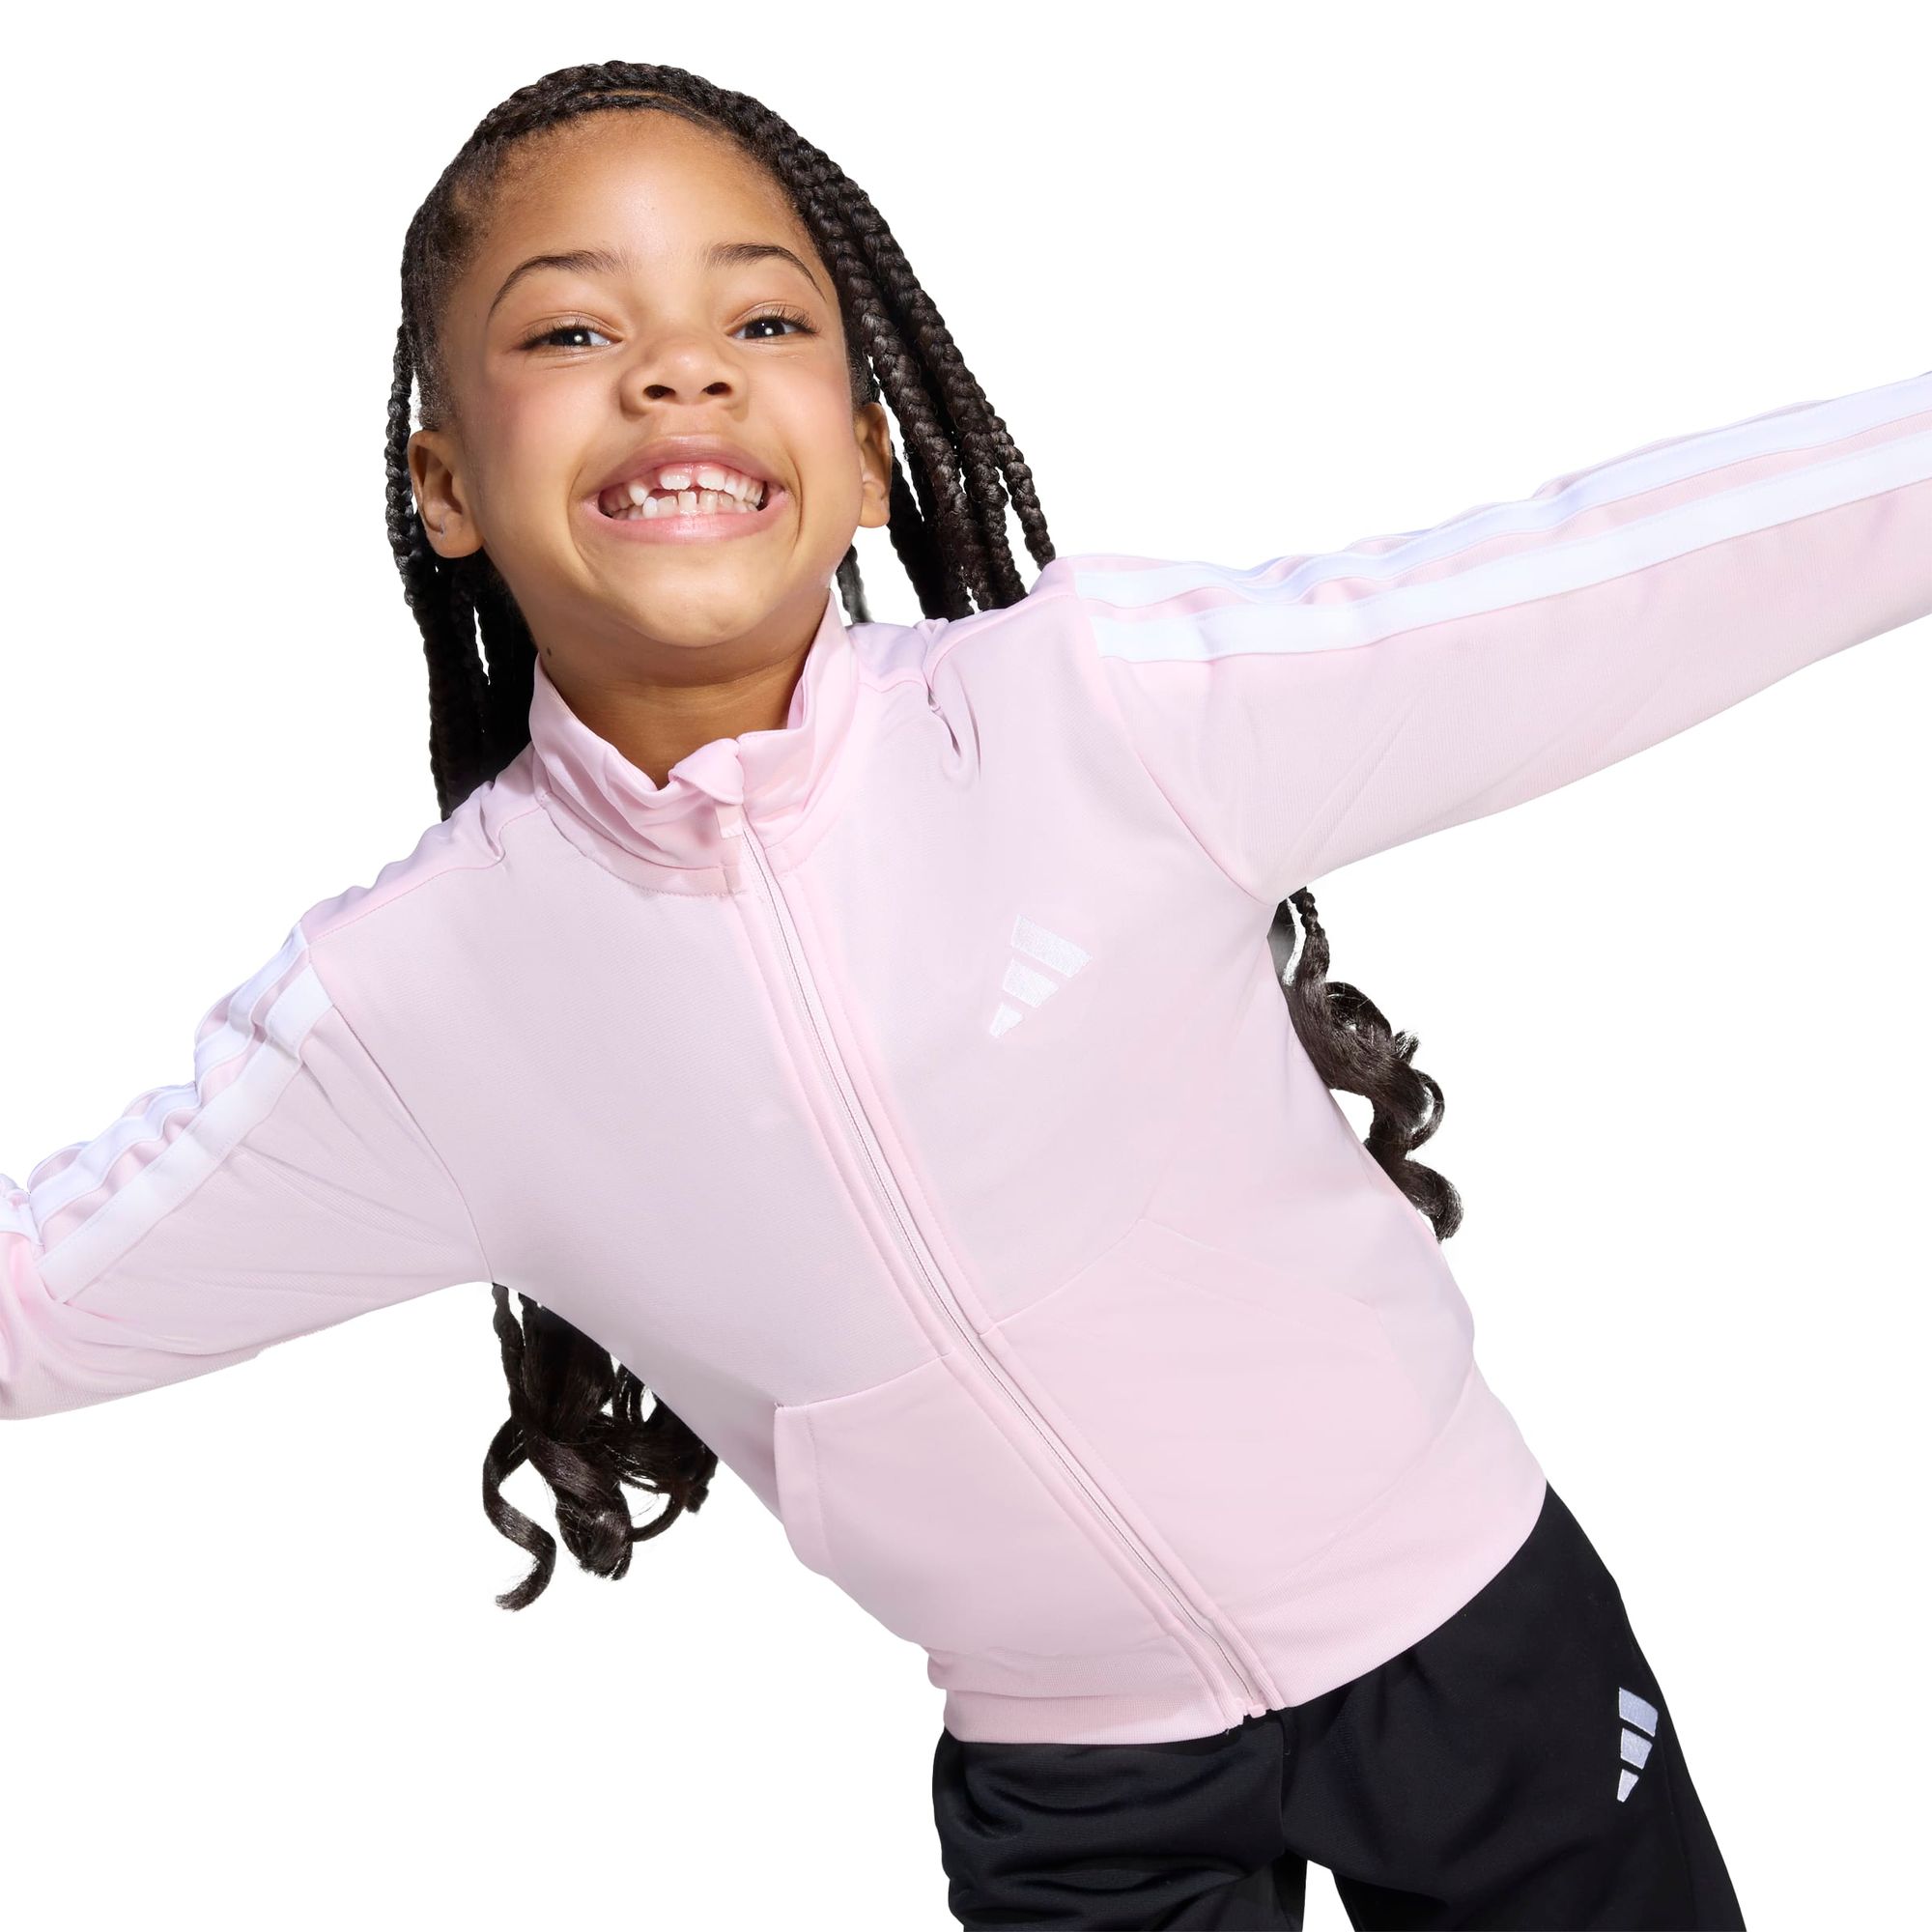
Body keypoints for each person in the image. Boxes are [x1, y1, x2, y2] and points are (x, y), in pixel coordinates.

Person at [5, 57, 1926, 1931]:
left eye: (763, 318)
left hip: (1472, 1634)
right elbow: (41, 1300)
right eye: (573, 332)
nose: (677, 369)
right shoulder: (412, 1014)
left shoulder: (1098, 713)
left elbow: (1619, 572)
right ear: (443, 482)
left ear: (865, 459)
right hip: (1079, 1784)